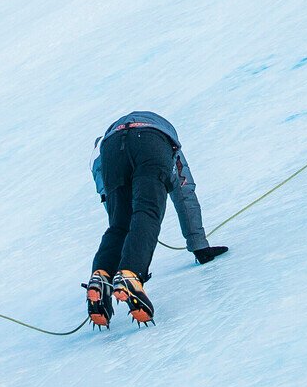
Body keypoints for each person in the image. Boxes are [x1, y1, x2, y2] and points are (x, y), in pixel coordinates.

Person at [86, 112, 228, 329]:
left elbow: (110, 205)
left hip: (111, 149)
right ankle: (130, 275)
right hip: (152, 141)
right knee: (147, 212)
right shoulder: (167, 143)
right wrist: (199, 246)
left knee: (119, 223)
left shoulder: (100, 151)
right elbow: (184, 192)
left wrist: (117, 251)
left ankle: (101, 275)